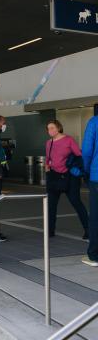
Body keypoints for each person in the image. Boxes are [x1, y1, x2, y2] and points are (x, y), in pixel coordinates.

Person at [45, 120, 88, 239]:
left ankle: (89, 230)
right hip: (54, 177)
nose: (50, 131)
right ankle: (50, 231)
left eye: (52, 128)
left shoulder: (68, 140)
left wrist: (78, 170)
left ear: (59, 128)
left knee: (76, 202)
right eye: (48, 129)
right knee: (50, 205)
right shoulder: (49, 143)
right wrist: (47, 168)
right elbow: (48, 159)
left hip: (70, 177)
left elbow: (79, 155)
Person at [81, 114, 98, 267]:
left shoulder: (94, 122)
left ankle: (94, 255)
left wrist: (84, 171)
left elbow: (86, 150)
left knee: (96, 217)